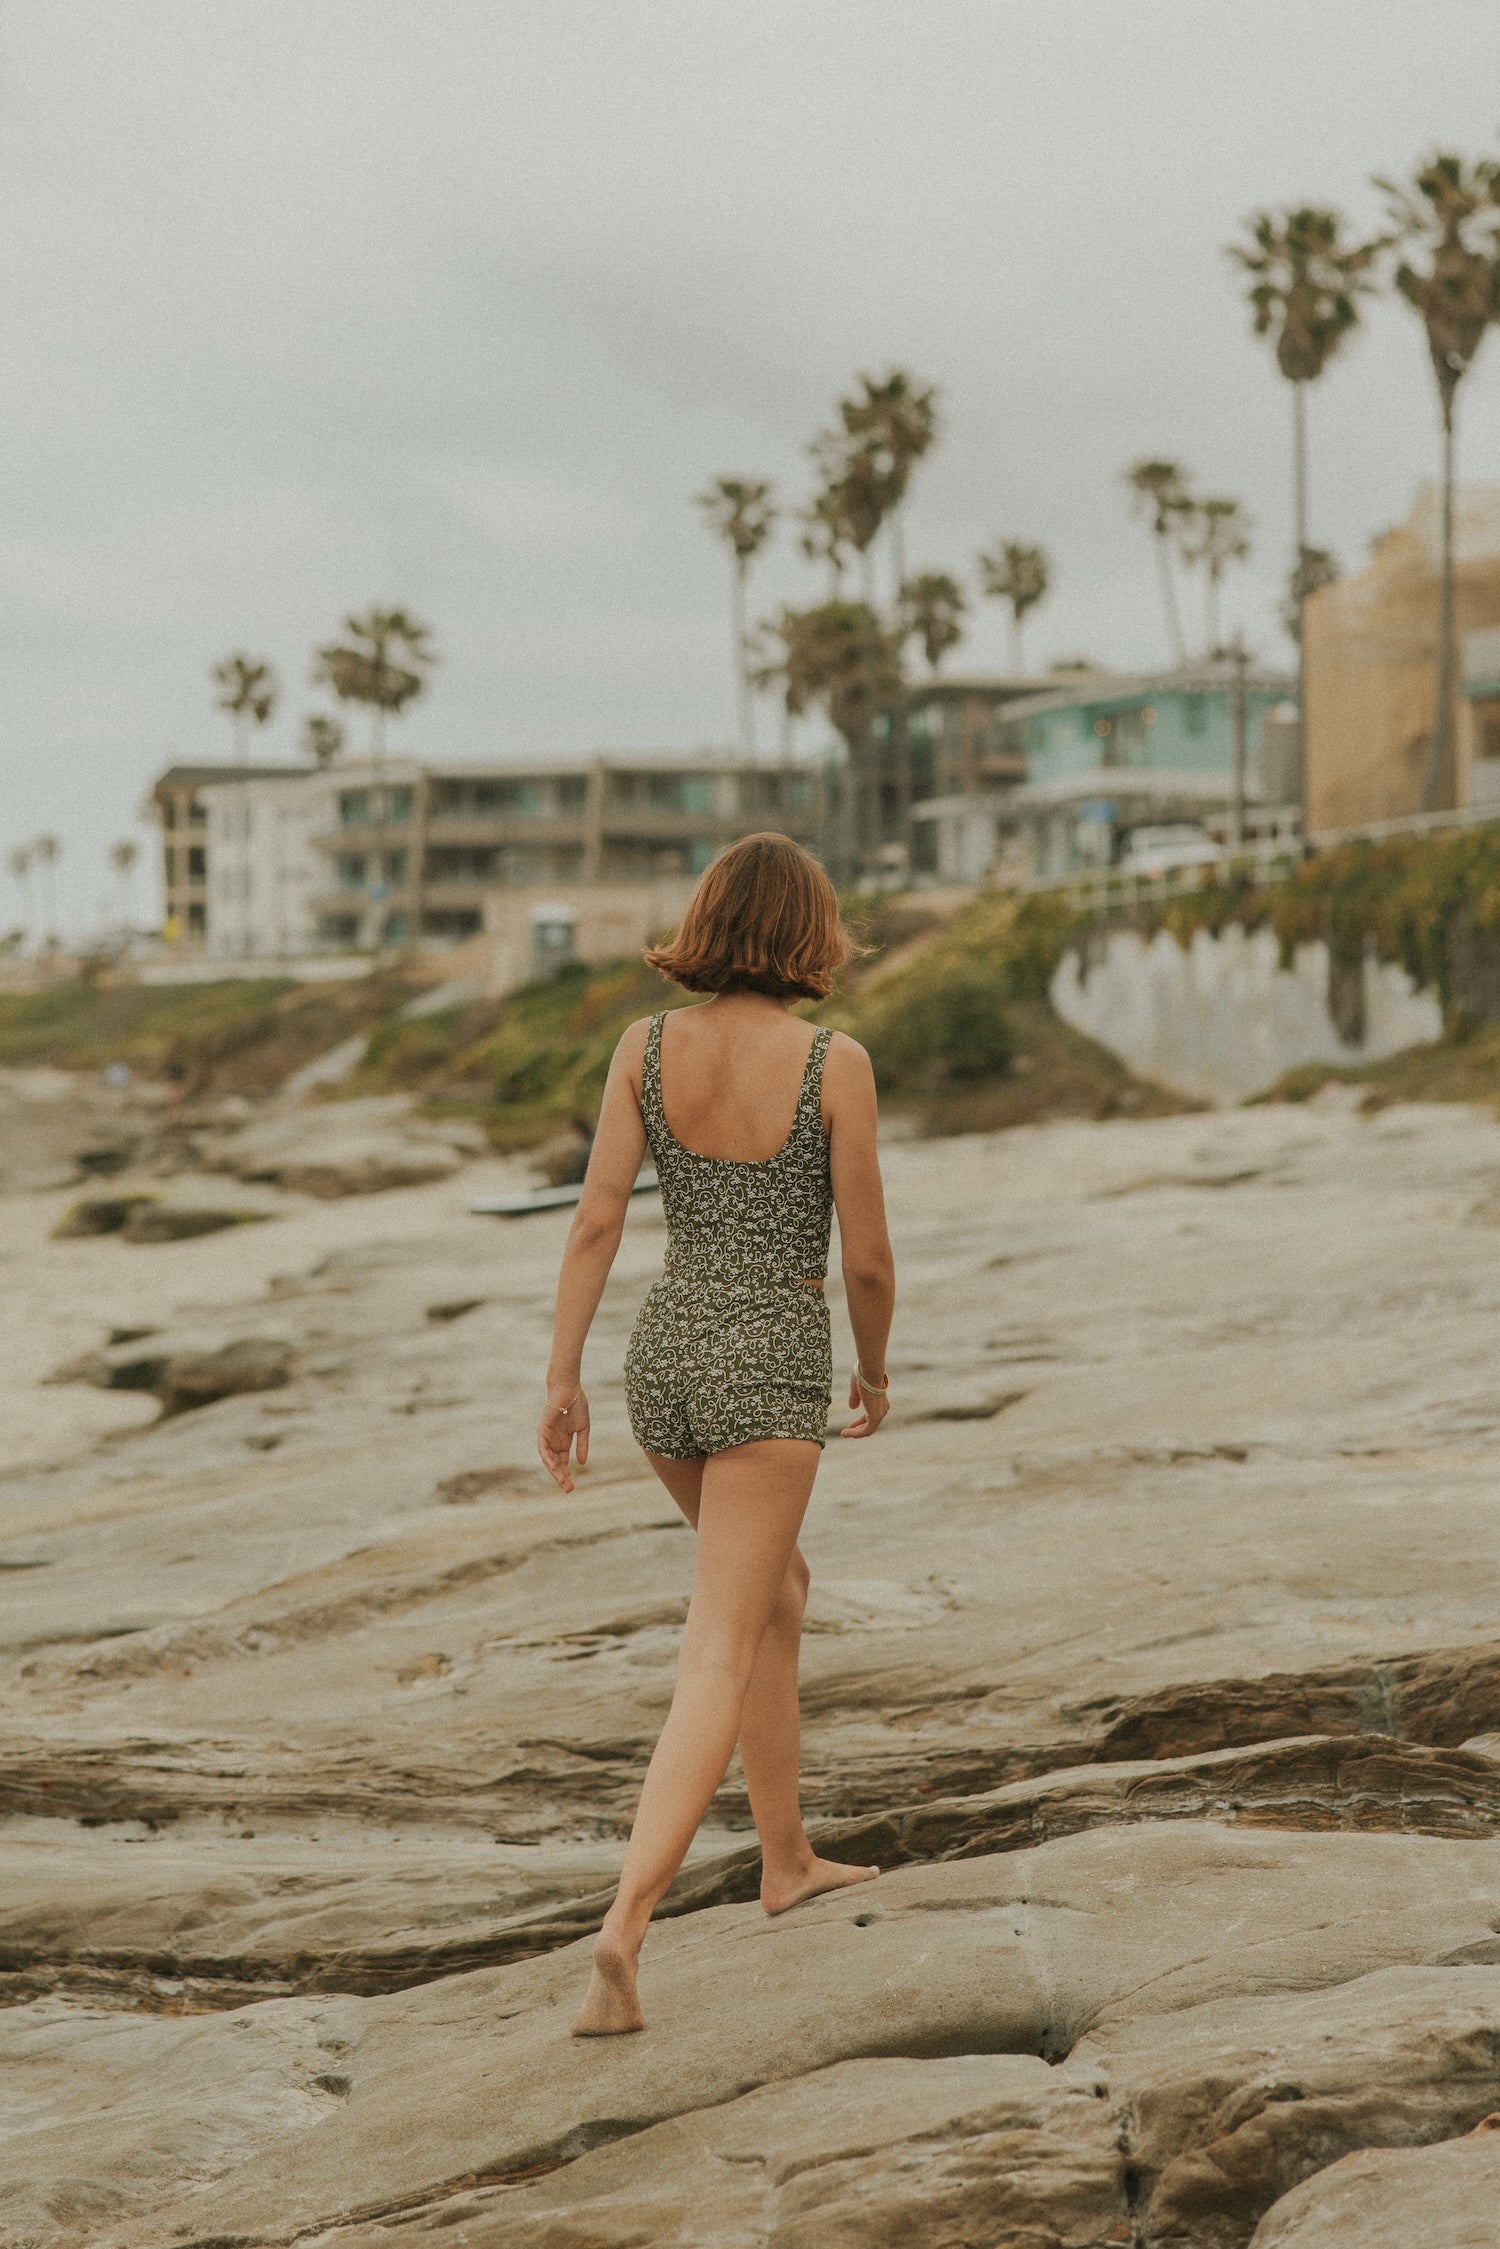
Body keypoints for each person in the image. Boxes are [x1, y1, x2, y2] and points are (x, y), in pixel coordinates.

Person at [537, 832, 896, 2036]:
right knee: (718, 1646)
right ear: (809, 931)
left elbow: (595, 1220)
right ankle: (625, 1926)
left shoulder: (642, 1047)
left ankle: (784, 1858)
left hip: (667, 1359)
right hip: (768, 1363)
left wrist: (562, 1375)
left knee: (778, 1590)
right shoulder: (834, 1061)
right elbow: (867, 1257)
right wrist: (874, 1365)